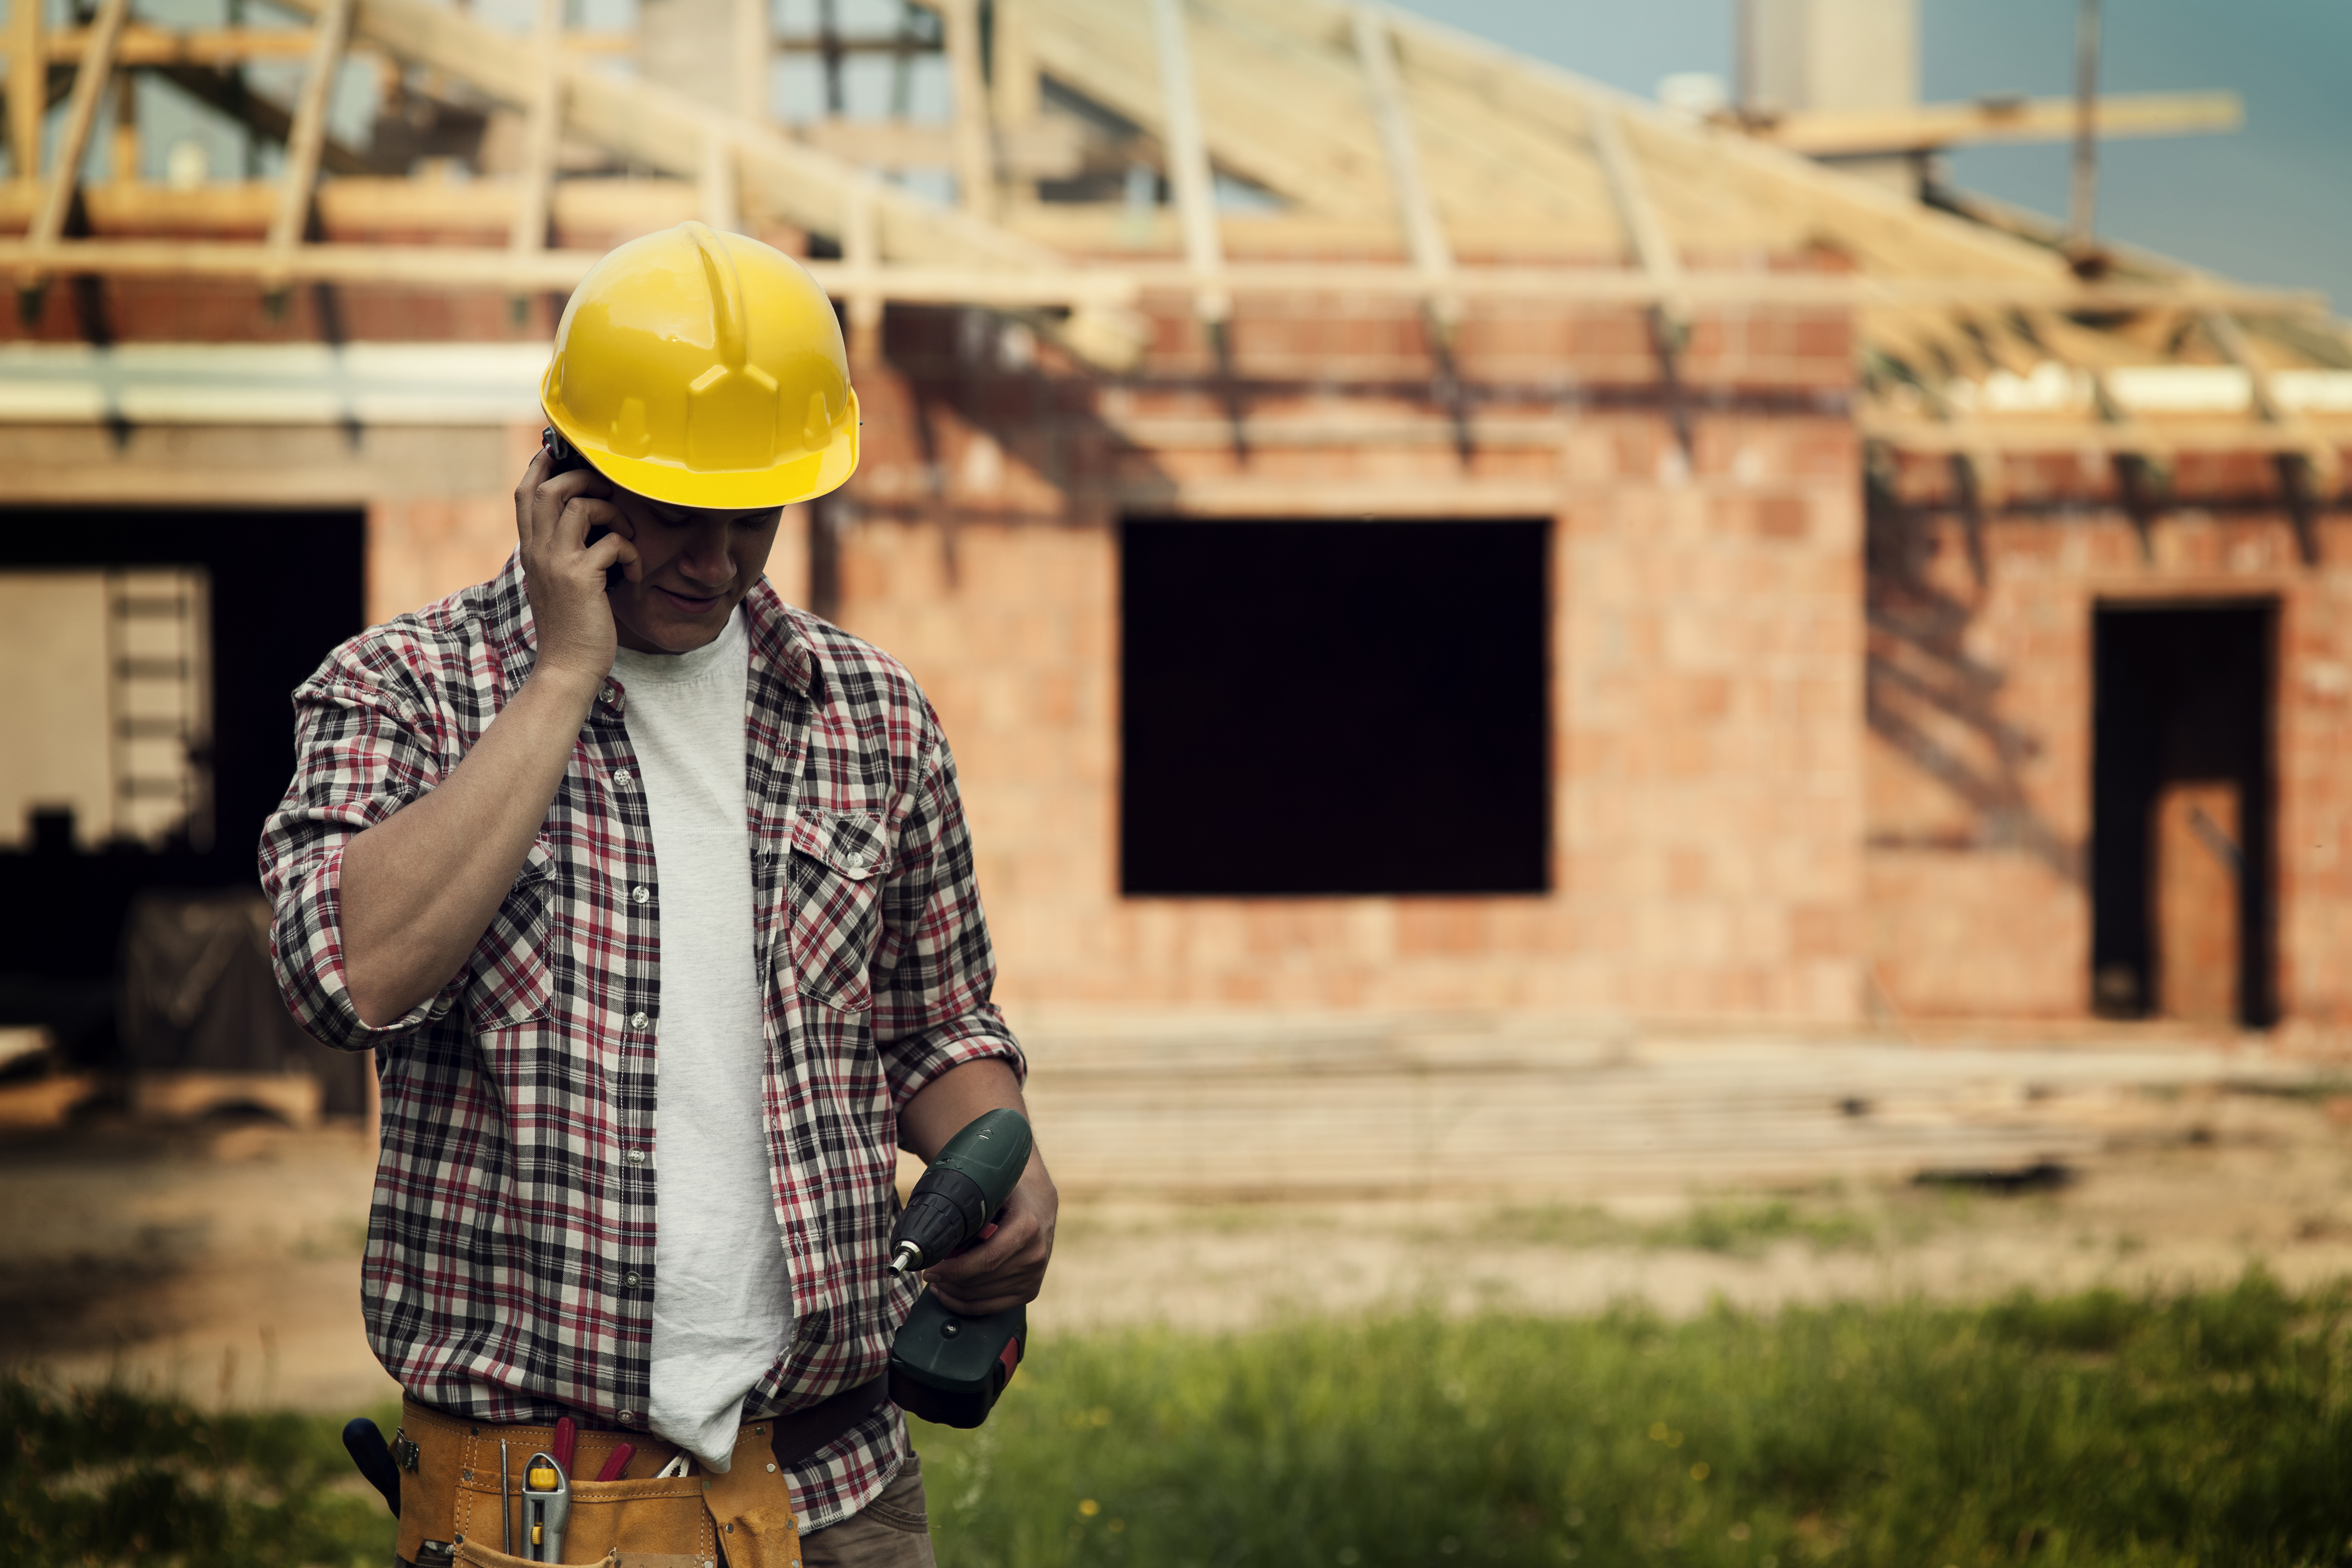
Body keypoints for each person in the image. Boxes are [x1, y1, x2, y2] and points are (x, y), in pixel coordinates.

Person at [260, 222, 1054, 1568]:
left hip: (838, 1492)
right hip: (536, 1512)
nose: (723, 559)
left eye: (759, 513)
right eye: (681, 511)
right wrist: (563, 673)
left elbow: (935, 1025)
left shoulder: (868, 716)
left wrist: (1009, 1163)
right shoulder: (403, 693)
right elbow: (347, 975)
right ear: (565, 476)